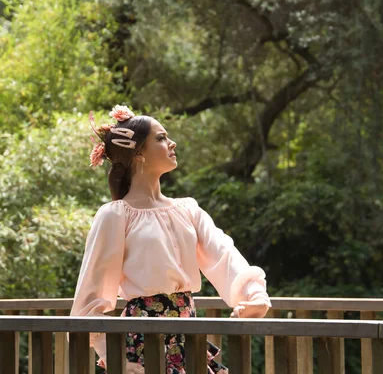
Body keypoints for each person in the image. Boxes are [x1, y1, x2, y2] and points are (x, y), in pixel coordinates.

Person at [70, 105, 271, 374]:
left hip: (188, 339)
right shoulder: (116, 215)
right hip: (139, 345)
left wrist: (254, 296)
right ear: (138, 152)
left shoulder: (187, 209)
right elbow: (89, 298)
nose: (172, 142)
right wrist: (115, 357)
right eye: (161, 138)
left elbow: (223, 254)